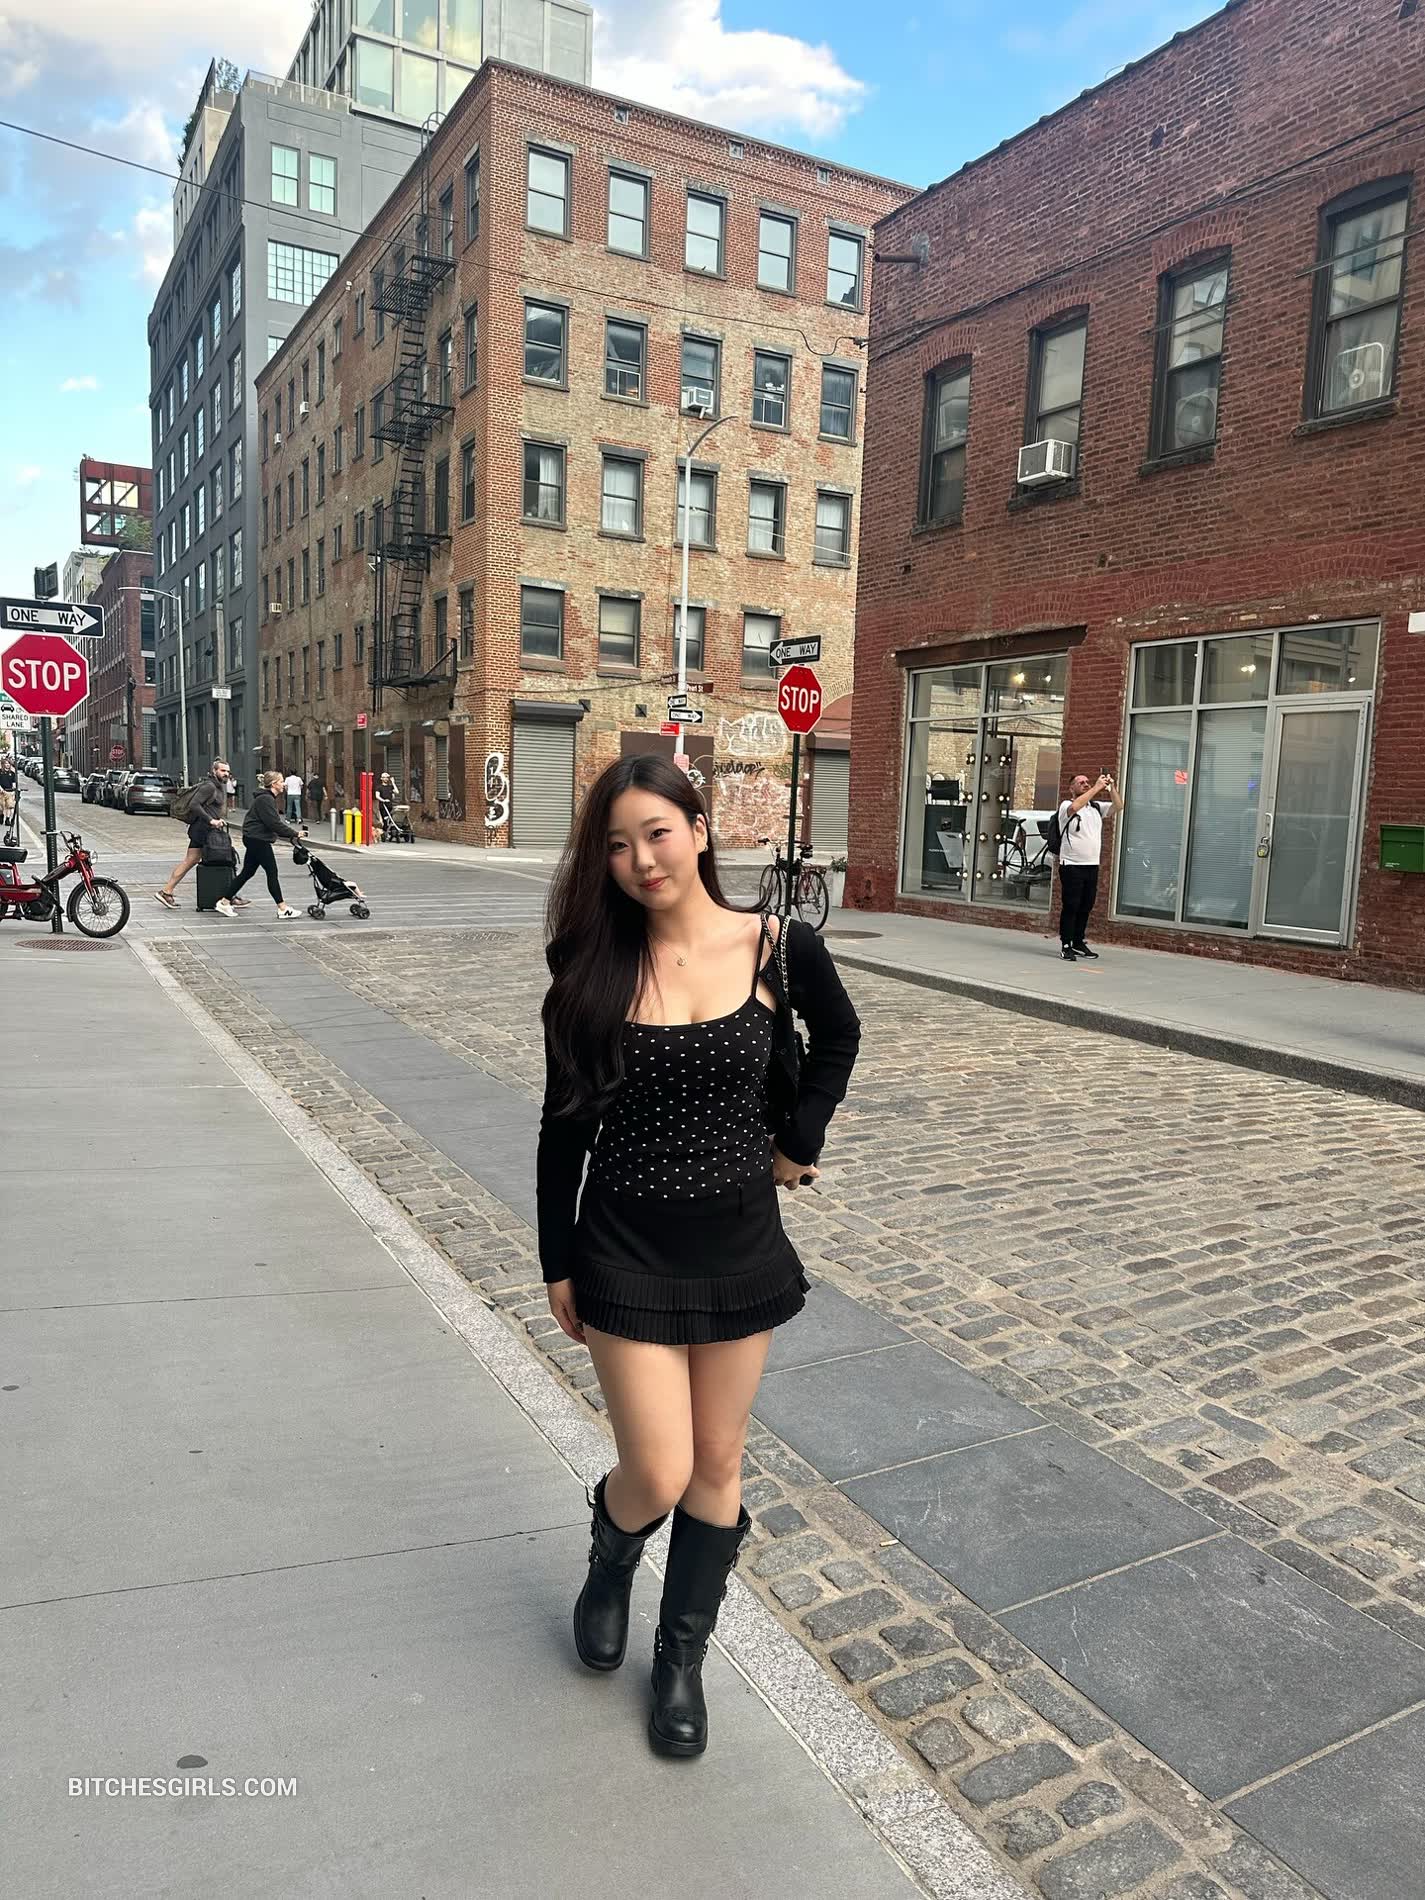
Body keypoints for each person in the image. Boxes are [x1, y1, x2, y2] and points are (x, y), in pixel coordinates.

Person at [538, 755, 861, 1759]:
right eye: (618, 844)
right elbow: (562, 1129)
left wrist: (799, 1138)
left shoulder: (778, 945)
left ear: (699, 831)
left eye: (657, 833)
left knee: (718, 1461)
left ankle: (680, 1659)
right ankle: (611, 1553)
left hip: (737, 1243)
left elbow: (840, 1037)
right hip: (623, 1244)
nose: (641, 859)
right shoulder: (591, 966)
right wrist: (557, 1260)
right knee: (659, 1466)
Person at [155, 758, 242, 913]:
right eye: (222, 770)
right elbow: (194, 804)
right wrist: (211, 820)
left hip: (205, 830)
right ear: (214, 771)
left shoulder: (218, 786)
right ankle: (230, 896)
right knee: (225, 858)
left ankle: (167, 891)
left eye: (227, 771)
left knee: (193, 860)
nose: (226, 774)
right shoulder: (209, 786)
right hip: (203, 831)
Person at [1056, 770, 1125, 962]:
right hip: (1071, 865)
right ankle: (1066, 944)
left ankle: (1078, 941)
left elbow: (1118, 806)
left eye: (1087, 782)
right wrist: (1096, 787)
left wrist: (1111, 788)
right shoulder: (1066, 805)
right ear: (1071, 788)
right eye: (1081, 782)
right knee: (1071, 905)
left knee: (1086, 905)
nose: (1086, 784)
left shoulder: (1095, 807)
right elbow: (1075, 806)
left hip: (1091, 865)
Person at [222, 771, 304, 920]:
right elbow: (273, 823)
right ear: (274, 784)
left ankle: (224, 901)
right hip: (258, 839)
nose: (284, 784)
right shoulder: (266, 799)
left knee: (247, 872)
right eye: (281, 781)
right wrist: (294, 833)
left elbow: (272, 823)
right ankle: (282, 908)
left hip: (254, 838)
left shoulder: (266, 798)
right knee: (272, 872)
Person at [0, 756, 17, 834]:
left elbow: (13, 783)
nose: (7, 765)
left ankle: (7, 819)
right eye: (6, 763)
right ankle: (1, 816)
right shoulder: (0, 772)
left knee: (9, 807)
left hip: (9, 792)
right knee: (1, 807)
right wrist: (1, 789)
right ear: (3, 764)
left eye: (9, 763)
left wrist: (14, 789)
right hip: (1, 792)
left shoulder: (12, 773)